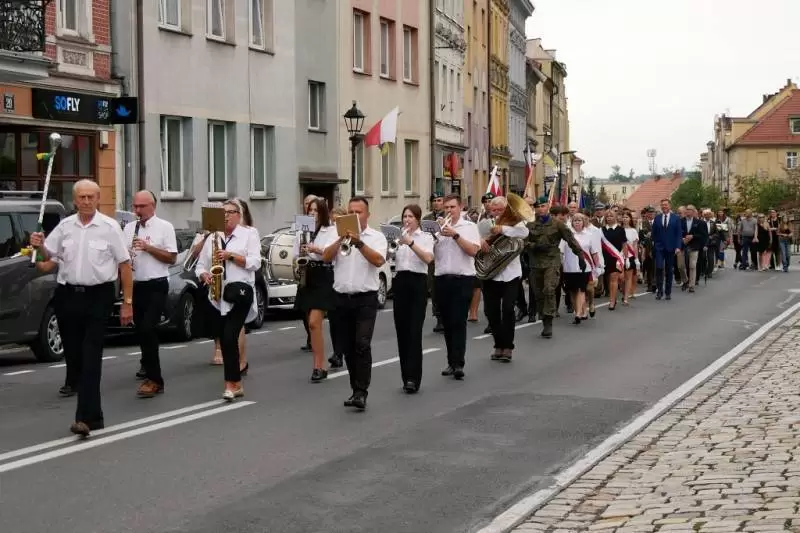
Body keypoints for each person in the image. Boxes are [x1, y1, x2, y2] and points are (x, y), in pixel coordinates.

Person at [30, 179, 133, 437]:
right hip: (68, 296)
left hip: (98, 296)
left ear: (98, 199)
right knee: (74, 357)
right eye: (81, 197)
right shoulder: (65, 227)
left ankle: (85, 418)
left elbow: (124, 265)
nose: (86, 201)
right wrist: (39, 246)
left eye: (90, 197)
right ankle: (93, 415)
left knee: (91, 356)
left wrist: (127, 303)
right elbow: (46, 263)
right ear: (74, 200)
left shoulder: (109, 227)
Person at [322, 196, 387, 410]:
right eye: (351, 212)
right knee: (348, 347)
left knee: (362, 344)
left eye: (359, 212)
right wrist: (339, 240)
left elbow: (378, 260)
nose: (355, 215)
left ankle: (361, 391)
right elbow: (325, 257)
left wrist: (359, 242)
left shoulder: (376, 237)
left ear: (367, 215)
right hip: (342, 298)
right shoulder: (336, 234)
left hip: (365, 299)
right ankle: (355, 389)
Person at [195, 199, 262, 401]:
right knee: (225, 340)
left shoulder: (249, 234)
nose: (225, 216)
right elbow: (200, 265)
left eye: (230, 212)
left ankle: (230, 385)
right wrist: (204, 275)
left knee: (229, 336)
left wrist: (231, 256)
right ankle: (236, 384)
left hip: (241, 293)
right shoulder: (213, 236)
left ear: (238, 215)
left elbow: (255, 263)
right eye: (222, 213)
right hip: (218, 295)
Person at [125, 190, 178, 397]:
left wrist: (148, 248)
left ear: (152, 206)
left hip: (157, 284)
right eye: (135, 206)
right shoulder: (129, 228)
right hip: (136, 284)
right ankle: (147, 366)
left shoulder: (165, 227)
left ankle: (155, 379)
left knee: (148, 328)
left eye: (142, 207)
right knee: (141, 330)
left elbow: (171, 258)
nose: (137, 210)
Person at [433, 194, 480, 379]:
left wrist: (455, 235)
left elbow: (473, 251)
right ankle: (451, 361)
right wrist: (433, 235)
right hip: (442, 278)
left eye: (452, 207)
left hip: (463, 279)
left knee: (458, 321)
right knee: (447, 323)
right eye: (446, 207)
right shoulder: (438, 228)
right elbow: (430, 254)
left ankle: (458, 363)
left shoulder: (469, 227)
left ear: (460, 207)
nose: (449, 210)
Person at [527, 197, 585, 338]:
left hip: (552, 261)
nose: (540, 209)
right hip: (535, 263)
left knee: (549, 289)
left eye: (543, 206)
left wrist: (580, 256)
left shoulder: (558, 224)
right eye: (537, 206)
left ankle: (548, 322)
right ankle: (543, 318)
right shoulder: (529, 225)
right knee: (538, 294)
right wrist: (534, 246)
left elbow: (571, 240)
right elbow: (522, 242)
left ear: (548, 206)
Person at [481, 196, 529, 363]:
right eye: (493, 210)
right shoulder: (485, 223)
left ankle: (508, 347)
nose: (496, 213)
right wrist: (481, 240)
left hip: (510, 273)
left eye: (500, 210)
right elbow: (475, 238)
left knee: (508, 309)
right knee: (491, 311)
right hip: (490, 273)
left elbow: (524, 233)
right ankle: (498, 344)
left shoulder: (516, 223)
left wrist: (502, 229)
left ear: (506, 209)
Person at [392, 204, 434, 393]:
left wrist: (410, 243)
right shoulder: (398, 236)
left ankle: (413, 378)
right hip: (400, 281)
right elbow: (388, 257)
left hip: (418, 282)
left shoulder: (425, 237)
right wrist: (394, 246)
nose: (407, 220)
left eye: (410, 216)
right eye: (405, 216)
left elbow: (428, 258)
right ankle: (405, 376)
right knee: (402, 332)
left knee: (414, 331)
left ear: (418, 219)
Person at [294, 197, 336, 382]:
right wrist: (299, 252)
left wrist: (315, 249)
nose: (312, 213)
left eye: (316, 210)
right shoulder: (302, 230)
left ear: (323, 213)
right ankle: (318, 364)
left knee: (314, 322)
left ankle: (319, 365)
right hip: (307, 274)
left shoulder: (331, 230)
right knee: (311, 324)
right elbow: (296, 254)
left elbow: (330, 254)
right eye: (310, 210)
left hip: (323, 275)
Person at [651, 198, 682, 300]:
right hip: (659, 247)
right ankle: (659, 291)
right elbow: (654, 233)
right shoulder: (657, 218)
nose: (664, 206)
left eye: (666, 205)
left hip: (671, 247)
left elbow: (678, 234)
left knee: (669, 270)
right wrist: (654, 244)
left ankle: (668, 292)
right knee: (659, 268)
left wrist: (678, 247)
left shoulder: (676, 218)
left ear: (669, 206)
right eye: (662, 205)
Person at [423, 192, 445, 332]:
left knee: (445, 288)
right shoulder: (427, 219)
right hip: (432, 258)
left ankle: (447, 315)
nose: (436, 203)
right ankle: (439, 318)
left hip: (445, 256)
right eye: (434, 200)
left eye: (439, 200)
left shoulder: (448, 217)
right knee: (434, 288)